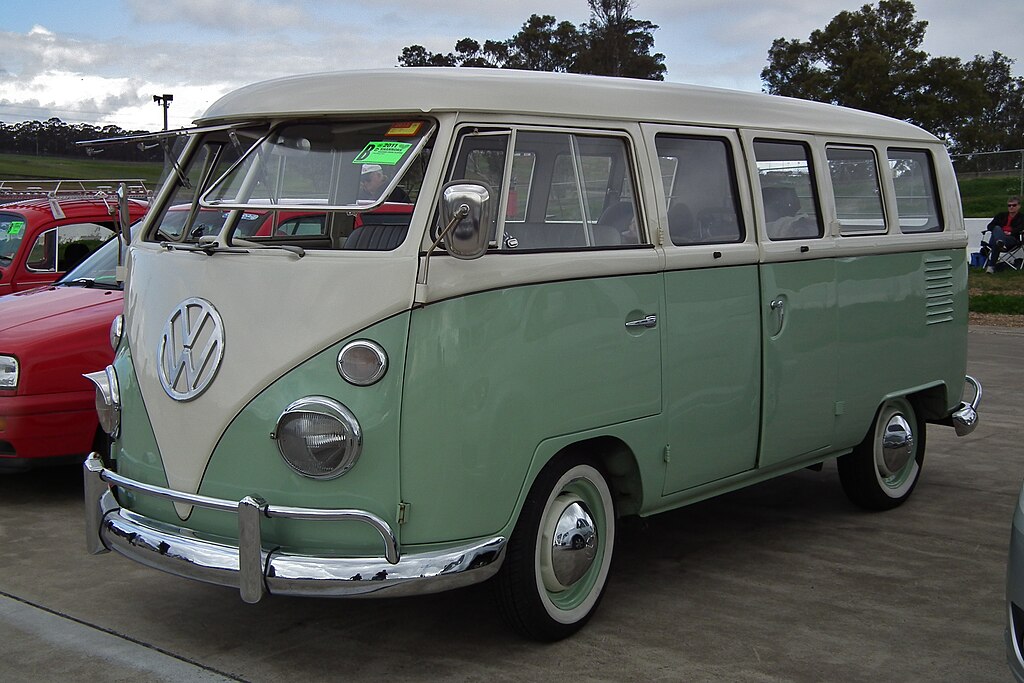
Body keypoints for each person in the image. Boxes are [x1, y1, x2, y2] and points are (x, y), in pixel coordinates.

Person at [983, 196, 1023, 273]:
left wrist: (1011, 232)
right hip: (998, 237)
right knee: (997, 229)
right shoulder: (1001, 215)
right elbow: (990, 226)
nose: (1011, 207)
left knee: (996, 242)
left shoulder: (1022, 218)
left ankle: (991, 267)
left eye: (1014, 205)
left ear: (1019, 206)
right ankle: (1000, 242)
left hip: (1011, 239)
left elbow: (1021, 228)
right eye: (1009, 205)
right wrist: (1000, 232)